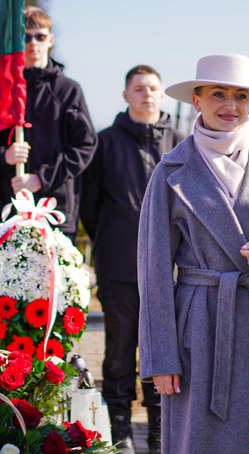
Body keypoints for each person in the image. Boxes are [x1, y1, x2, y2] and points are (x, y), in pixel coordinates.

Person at [138, 54, 249, 454]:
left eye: (240, 96)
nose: (230, 106)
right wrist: (160, 356)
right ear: (197, 100)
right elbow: (152, 271)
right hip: (198, 332)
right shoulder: (170, 170)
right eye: (218, 94)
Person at [80, 65, 184, 454]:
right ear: (126, 95)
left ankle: (159, 424)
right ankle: (119, 423)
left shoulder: (180, 143)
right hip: (119, 262)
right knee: (120, 346)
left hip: (172, 267)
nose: (146, 94)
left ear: (162, 94)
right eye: (138, 88)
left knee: (164, 346)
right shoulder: (105, 143)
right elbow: (90, 206)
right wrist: (111, 236)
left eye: (153, 88)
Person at [0, 7, 97, 241]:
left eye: (39, 36)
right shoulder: (3, 89)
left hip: (55, 212)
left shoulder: (68, 90)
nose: (33, 43)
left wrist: (41, 179)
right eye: (25, 36)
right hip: (8, 213)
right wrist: (4, 156)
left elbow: (85, 146)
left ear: (50, 40)